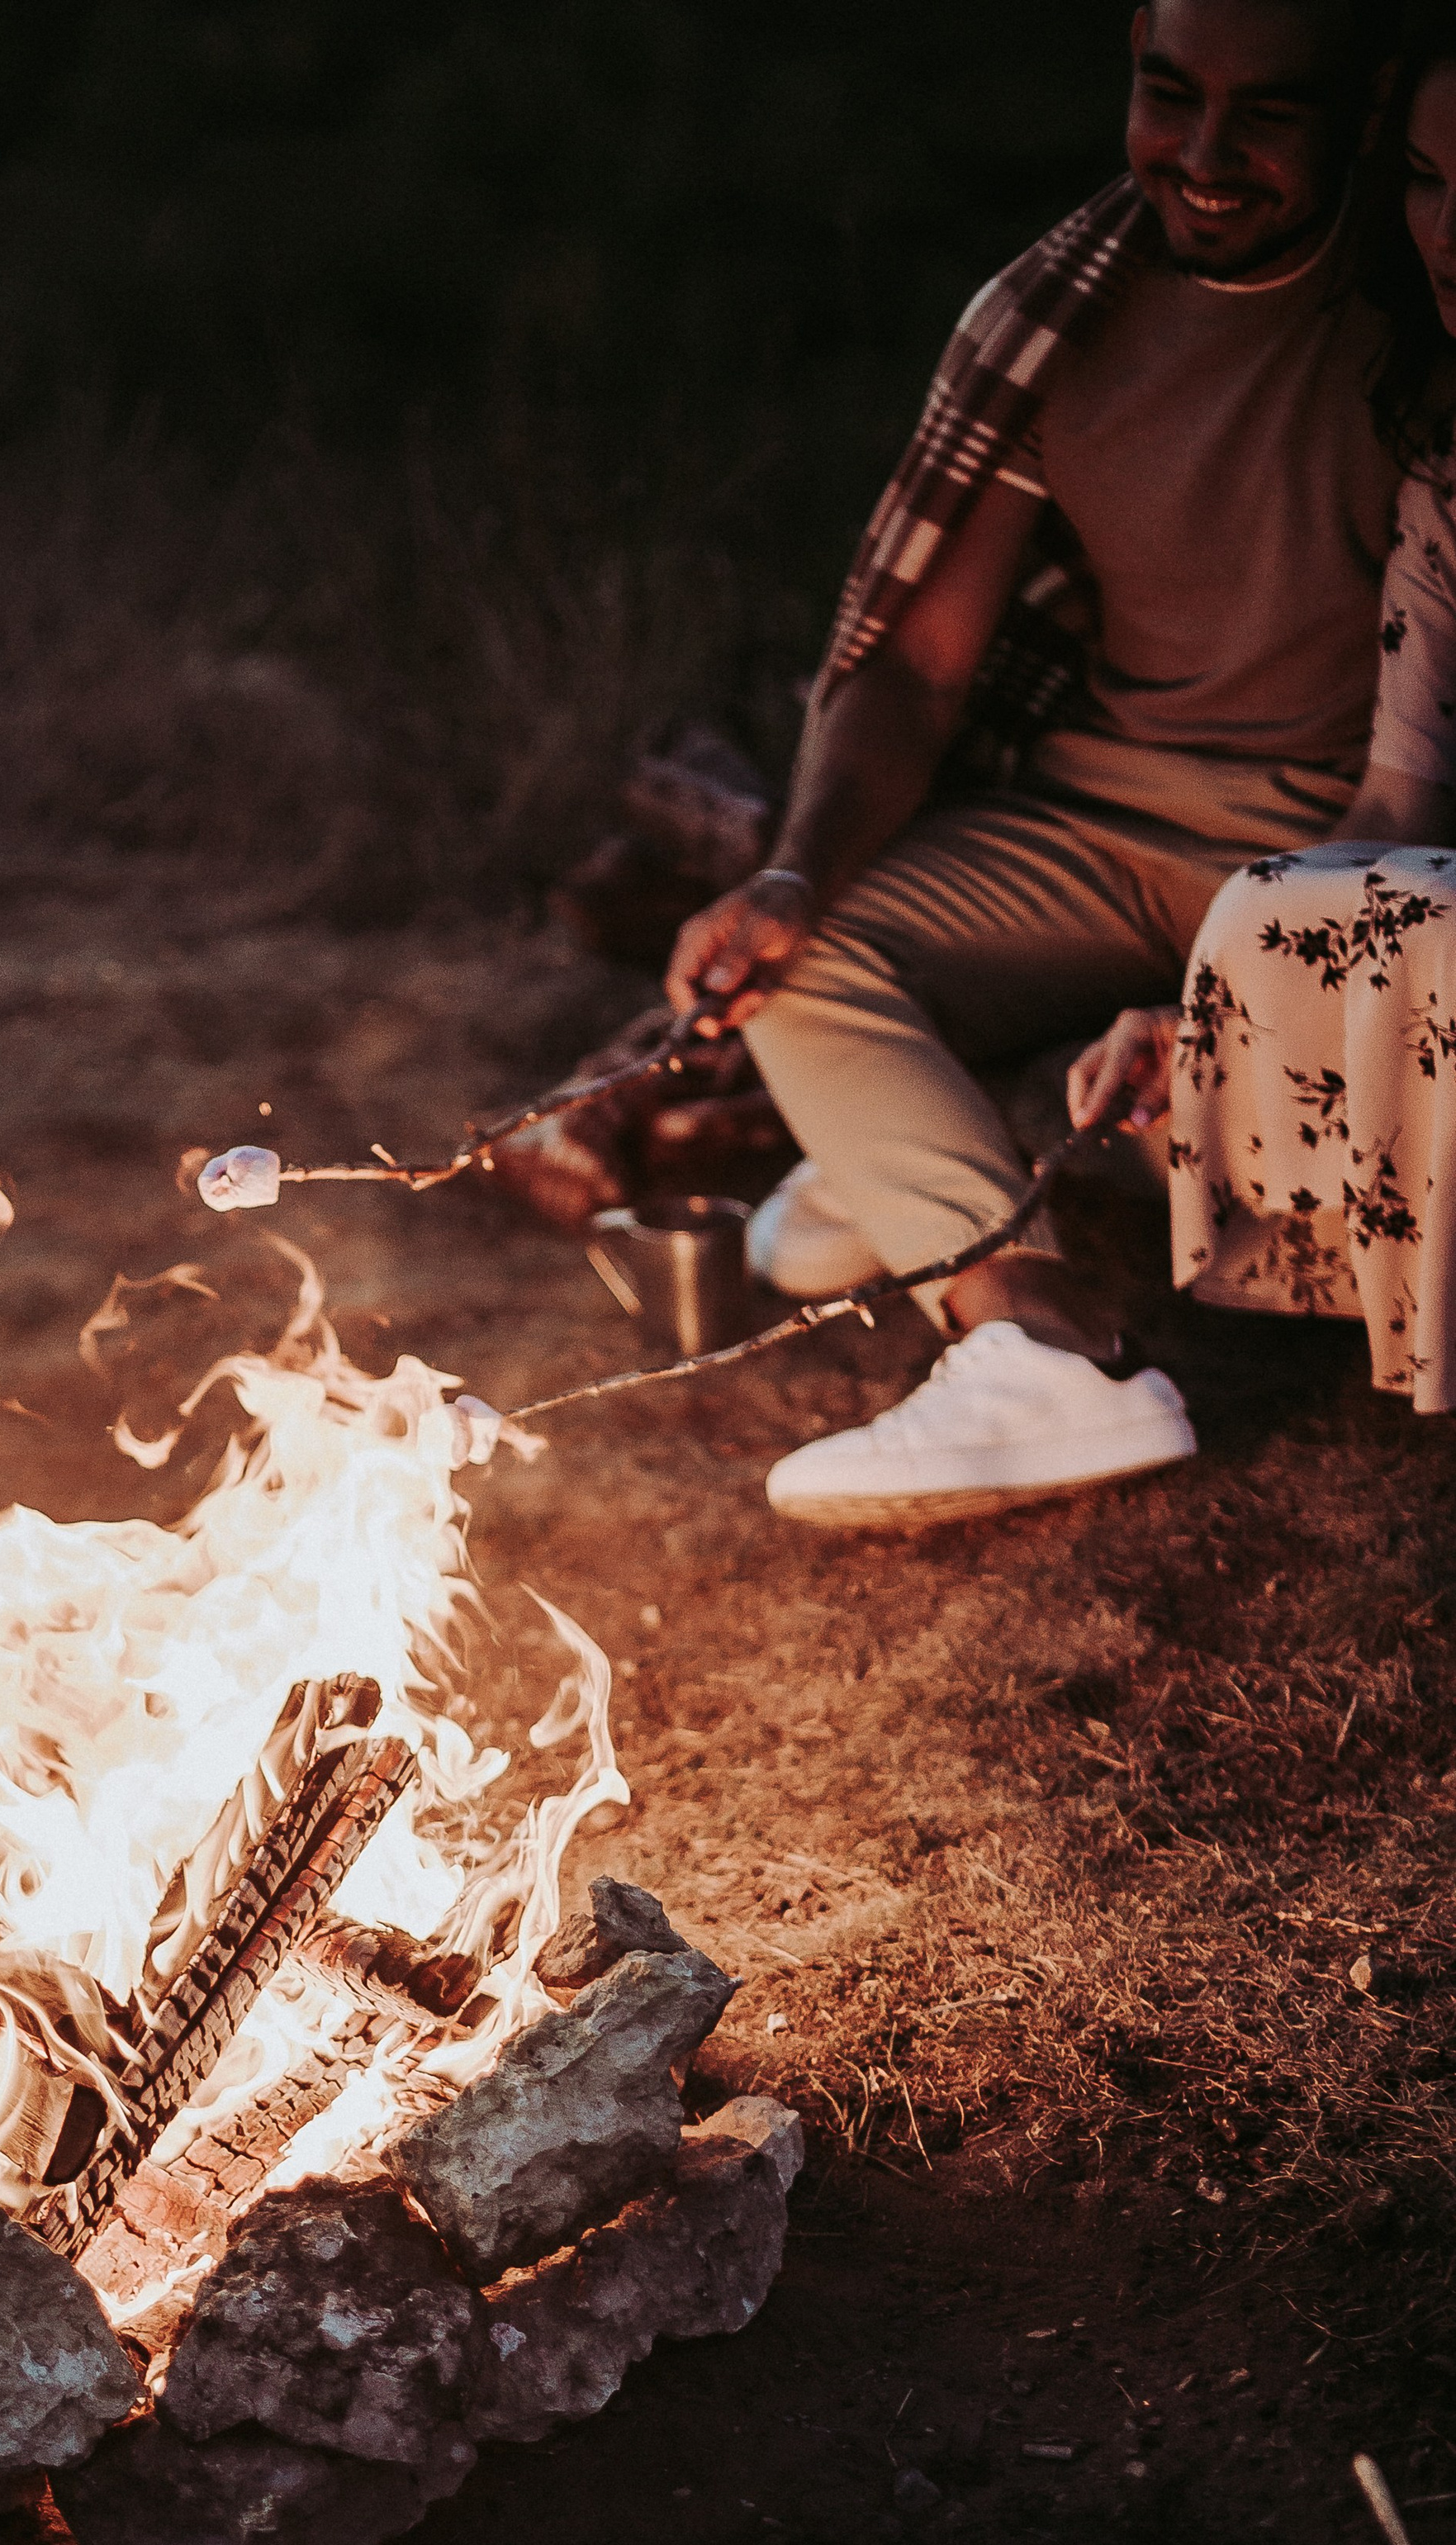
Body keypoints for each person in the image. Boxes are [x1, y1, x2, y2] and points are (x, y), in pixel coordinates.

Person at [506, 0, 1405, 1526]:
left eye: (1269, 113)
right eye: (1168, 93)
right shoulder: (1058, 320)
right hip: (1100, 815)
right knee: (801, 960)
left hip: (1344, 862)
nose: (1202, 156)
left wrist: (1256, 986)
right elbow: (919, 666)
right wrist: (793, 876)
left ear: (1369, 106)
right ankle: (1034, 1341)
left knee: (1296, 1172)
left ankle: (925, 1160)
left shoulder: (1416, 309)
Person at [1069, 6, 1456, 1412]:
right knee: (1273, 917)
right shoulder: (1448, 478)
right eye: (1426, 181)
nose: (1452, 233)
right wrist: (1214, 1005)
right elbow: (1394, 805)